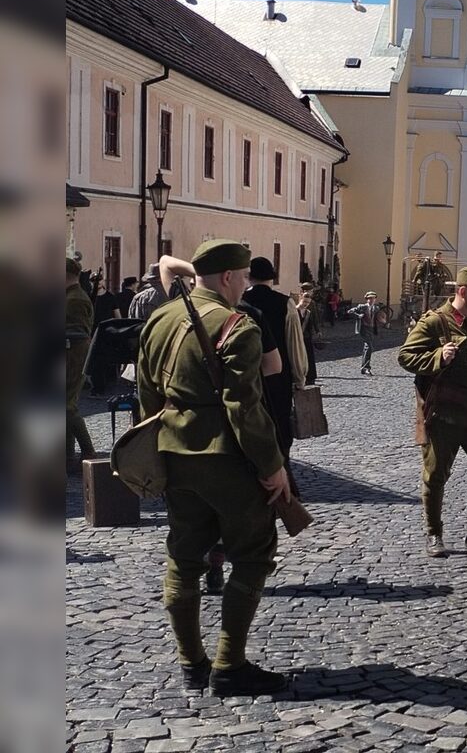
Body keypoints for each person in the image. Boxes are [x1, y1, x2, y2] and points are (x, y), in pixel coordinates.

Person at [136, 239, 291, 697]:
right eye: (243, 277)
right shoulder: (237, 325)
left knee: (183, 557)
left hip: (173, 454)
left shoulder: (159, 318)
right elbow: (244, 406)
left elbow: (147, 395)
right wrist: (273, 466)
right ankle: (229, 664)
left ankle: (191, 663)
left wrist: (161, 444)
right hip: (226, 460)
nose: (245, 285)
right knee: (253, 553)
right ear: (228, 277)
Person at [397, 267, 467, 560]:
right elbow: (405, 356)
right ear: (462, 292)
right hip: (445, 415)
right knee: (436, 474)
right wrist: (437, 357)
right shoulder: (435, 322)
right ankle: (434, 532)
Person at [242, 257, 308, 470]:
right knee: (279, 427)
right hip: (279, 378)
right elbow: (294, 343)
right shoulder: (284, 302)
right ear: (272, 277)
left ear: (248, 277)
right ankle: (281, 470)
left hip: (246, 378)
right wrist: (300, 378)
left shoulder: (238, 302)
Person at [66, 257, 96, 465]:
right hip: (69, 353)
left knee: (65, 406)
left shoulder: (74, 299)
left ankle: (88, 450)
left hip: (72, 355)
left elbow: (76, 332)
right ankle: (67, 454)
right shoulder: (69, 296)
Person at [346, 291, 383, 375]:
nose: (371, 300)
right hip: (364, 329)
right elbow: (349, 311)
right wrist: (358, 315)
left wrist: (383, 321)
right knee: (369, 347)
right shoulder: (362, 307)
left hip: (372, 329)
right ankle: (366, 368)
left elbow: (379, 318)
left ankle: (364, 367)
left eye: (373, 298)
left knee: (367, 348)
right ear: (367, 299)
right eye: (369, 298)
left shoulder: (376, 308)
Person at [296, 283, 321, 385]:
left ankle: (310, 377)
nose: (306, 304)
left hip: (306, 335)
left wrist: (317, 330)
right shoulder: (294, 308)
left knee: (309, 356)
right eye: (305, 302)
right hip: (297, 336)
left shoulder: (310, 308)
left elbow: (314, 318)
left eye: (308, 302)